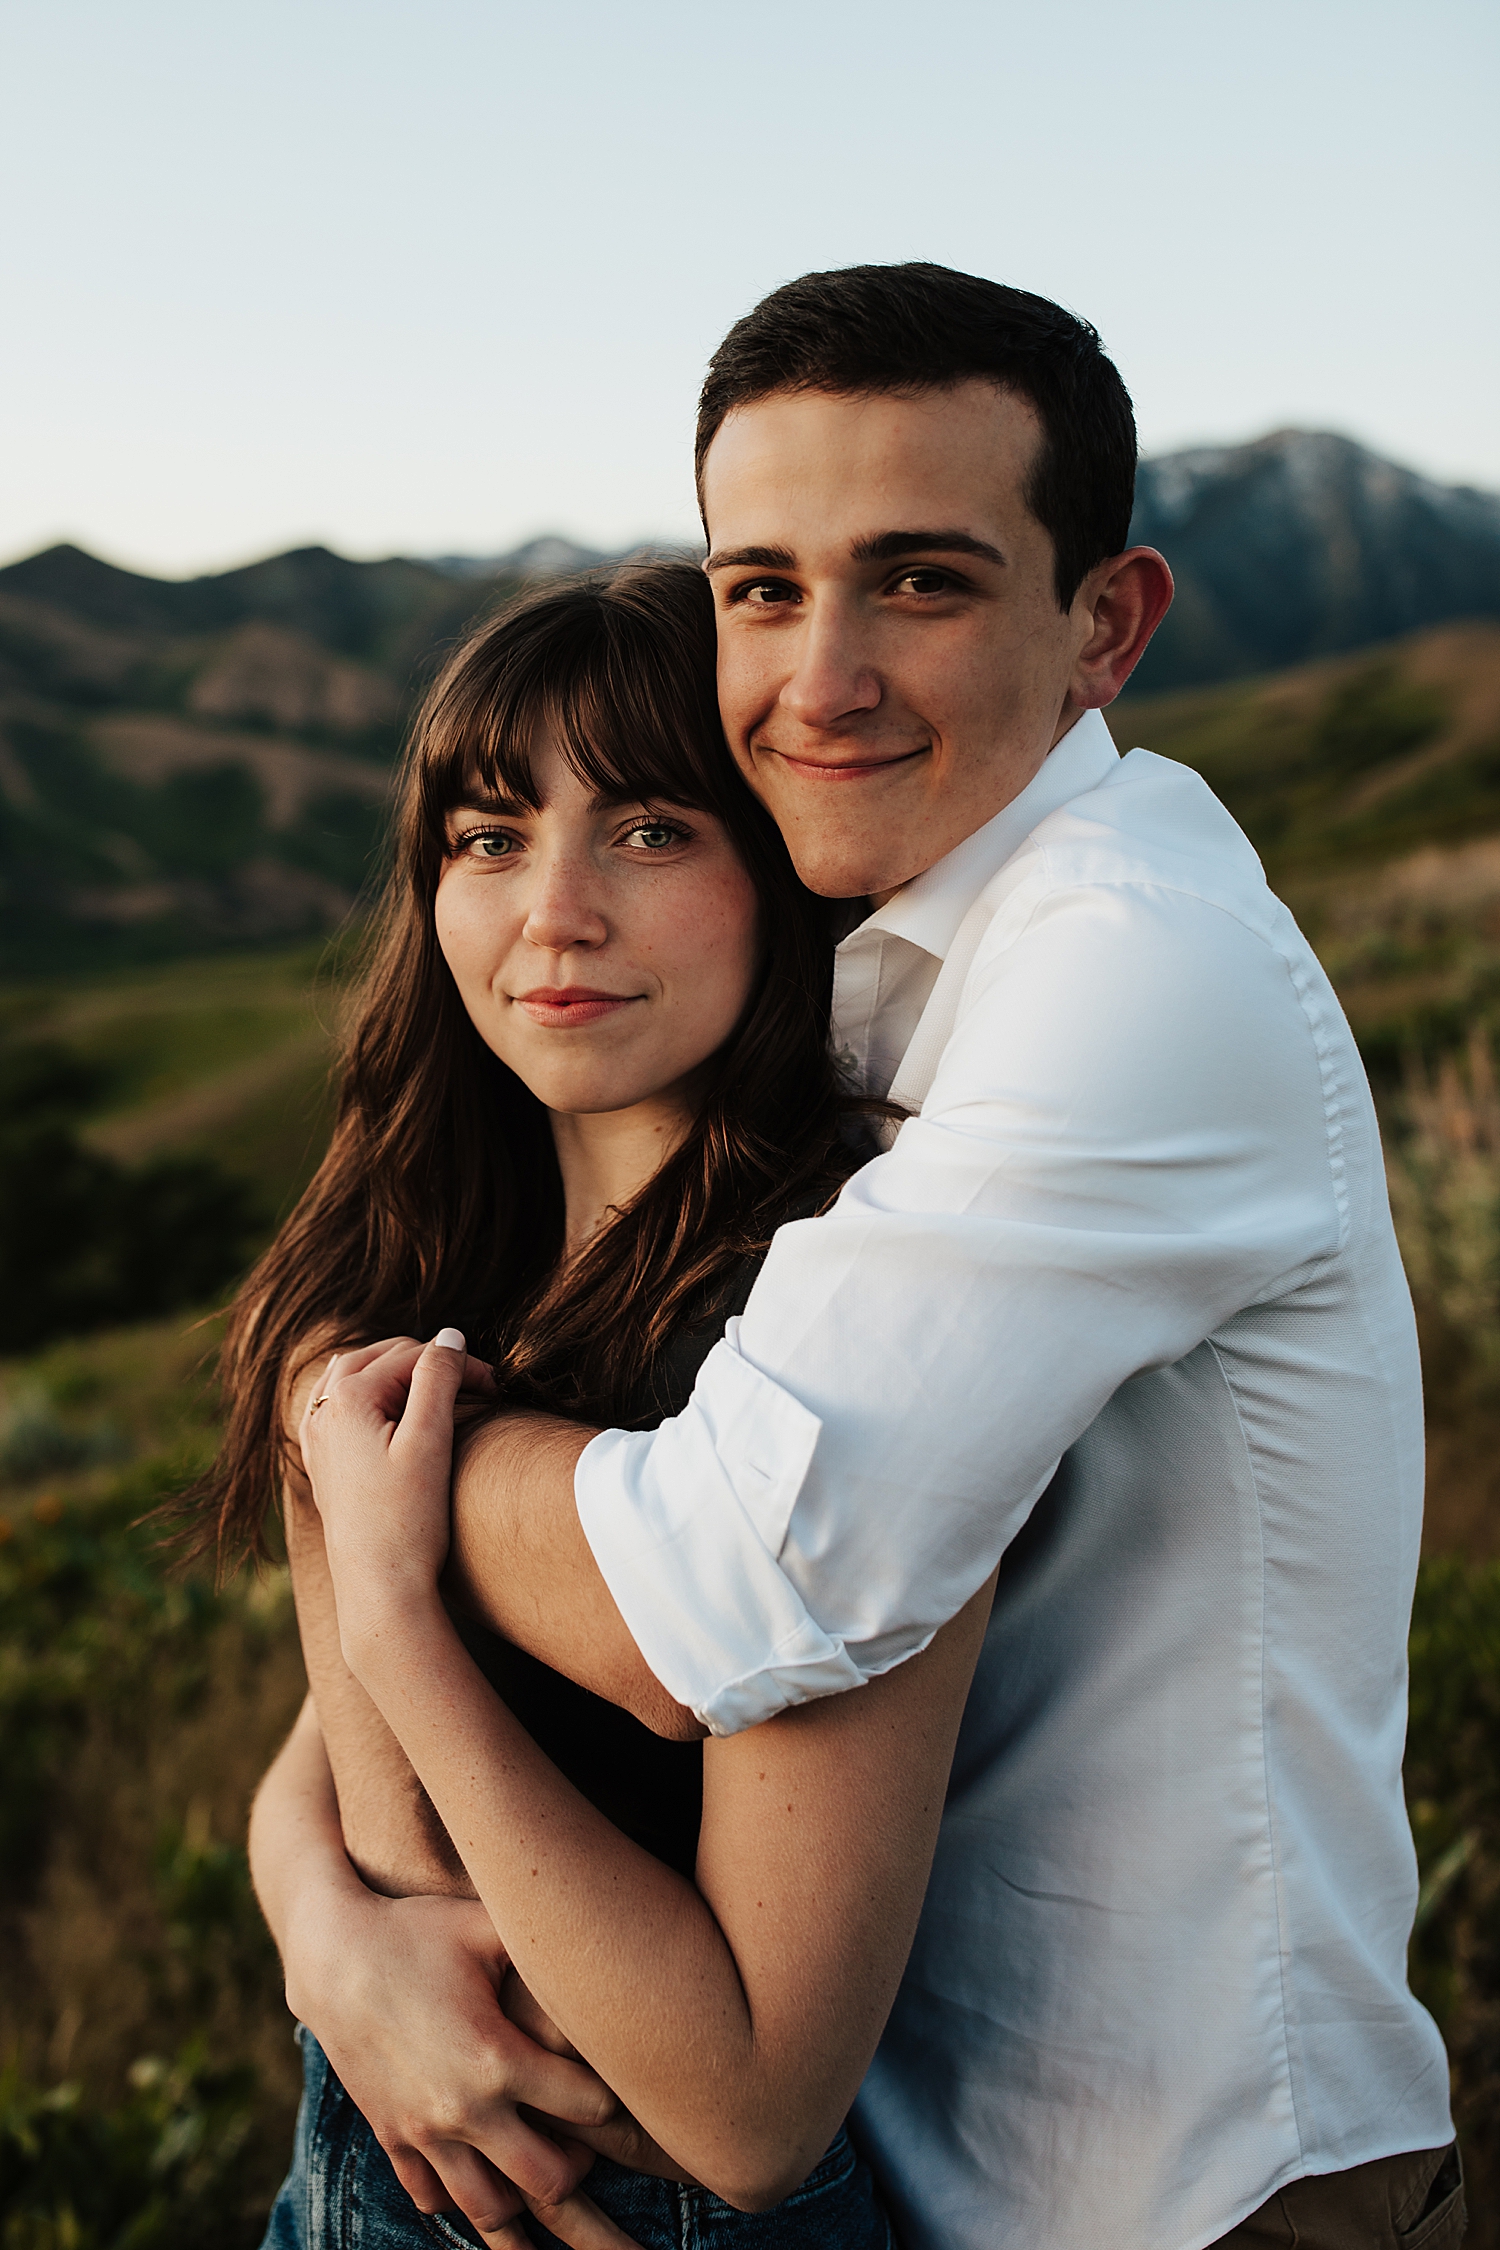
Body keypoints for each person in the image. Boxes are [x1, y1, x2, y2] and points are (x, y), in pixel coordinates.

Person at [253, 266, 1464, 2250]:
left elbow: (728, 1577)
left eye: (919, 581)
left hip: (1181, 2191)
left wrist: (352, 1432)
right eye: (764, 587)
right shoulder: (872, 986)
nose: (820, 681)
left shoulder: (1126, 971)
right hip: (929, 2170)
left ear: (1105, 624)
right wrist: (324, 1920)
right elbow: (413, 1687)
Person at [230, 561, 997, 2249]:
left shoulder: (831, 1325)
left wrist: (397, 1623)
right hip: (353, 2169)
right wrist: (327, 1941)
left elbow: (751, 2110)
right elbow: (325, 1768)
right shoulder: (464, 1257)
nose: (555, 911)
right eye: (490, 837)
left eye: (650, 830)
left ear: (775, 866)